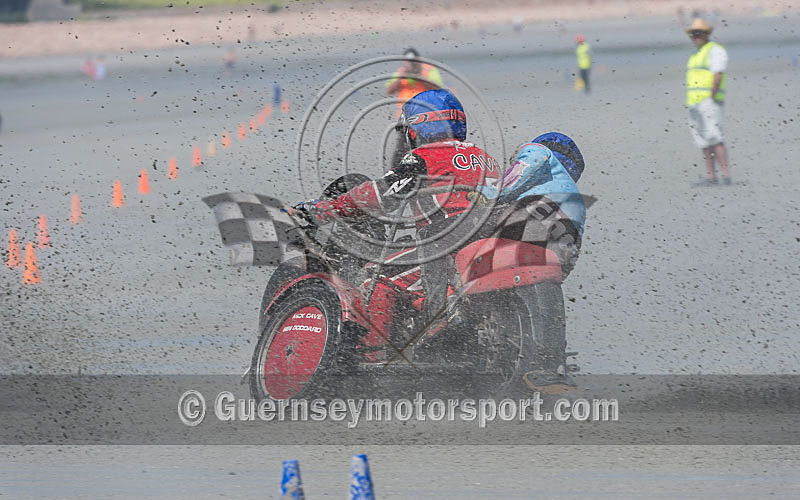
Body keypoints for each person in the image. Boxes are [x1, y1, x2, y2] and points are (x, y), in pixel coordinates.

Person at [293, 89, 500, 323]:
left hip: (445, 247)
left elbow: (380, 195)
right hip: (488, 242)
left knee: (375, 276)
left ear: (418, 126)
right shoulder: (486, 158)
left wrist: (328, 208)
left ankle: (370, 345)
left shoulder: (425, 156)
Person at [477, 132, 586, 277]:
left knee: (473, 224)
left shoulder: (539, 151)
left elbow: (516, 178)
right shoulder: (573, 196)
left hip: (538, 217)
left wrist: (482, 194)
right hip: (566, 249)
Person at [685, 18, 731, 185]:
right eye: (693, 33)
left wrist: (711, 96)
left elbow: (718, 74)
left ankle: (725, 175)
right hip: (694, 102)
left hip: (709, 101)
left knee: (714, 137)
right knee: (703, 140)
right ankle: (711, 176)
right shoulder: (695, 54)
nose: (696, 36)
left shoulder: (715, 50)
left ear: (706, 34)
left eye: (699, 33)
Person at [385, 48, 444, 168]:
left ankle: (431, 170)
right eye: (408, 61)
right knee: (401, 149)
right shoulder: (402, 71)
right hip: (406, 117)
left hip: (427, 117)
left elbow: (438, 88)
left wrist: (419, 76)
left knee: (426, 147)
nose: (411, 64)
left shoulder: (428, 70)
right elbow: (389, 90)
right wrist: (403, 76)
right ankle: (394, 173)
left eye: (413, 61)